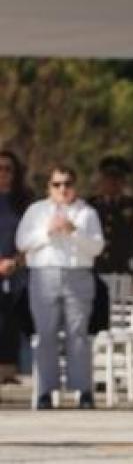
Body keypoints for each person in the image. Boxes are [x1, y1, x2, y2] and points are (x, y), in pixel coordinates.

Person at [16, 165, 104, 409]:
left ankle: (83, 391)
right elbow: (22, 242)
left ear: (75, 186)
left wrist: (73, 233)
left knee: (78, 334)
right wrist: (48, 231)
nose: (63, 189)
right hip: (45, 274)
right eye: (57, 184)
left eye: (67, 184)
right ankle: (45, 391)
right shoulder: (37, 211)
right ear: (49, 187)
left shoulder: (87, 213)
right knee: (45, 334)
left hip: (78, 275)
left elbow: (96, 248)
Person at [0, 150, 32, 386]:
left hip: (18, 273)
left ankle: (7, 374)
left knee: (12, 323)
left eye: (8, 169)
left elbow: (35, 236)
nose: (3, 174)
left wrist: (16, 261)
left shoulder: (25, 201)